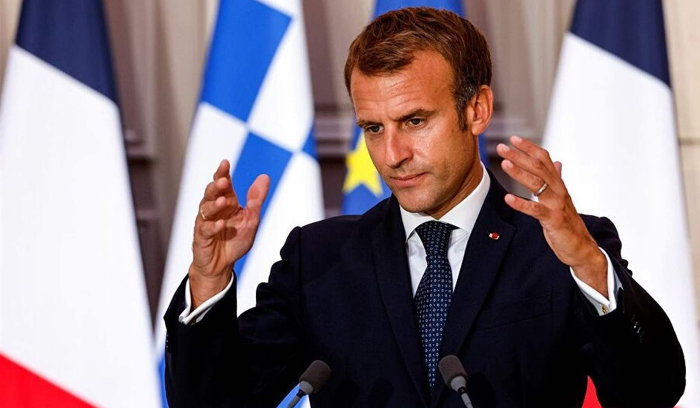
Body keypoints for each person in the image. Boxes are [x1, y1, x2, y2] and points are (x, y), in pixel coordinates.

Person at [164, 7, 685, 408]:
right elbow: (212, 403)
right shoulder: (317, 259)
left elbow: (653, 391)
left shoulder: (559, 249)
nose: (392, 155)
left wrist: (589, 264)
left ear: (476, 109)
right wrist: (209, 280)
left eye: (414, 121)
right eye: (373, 128)